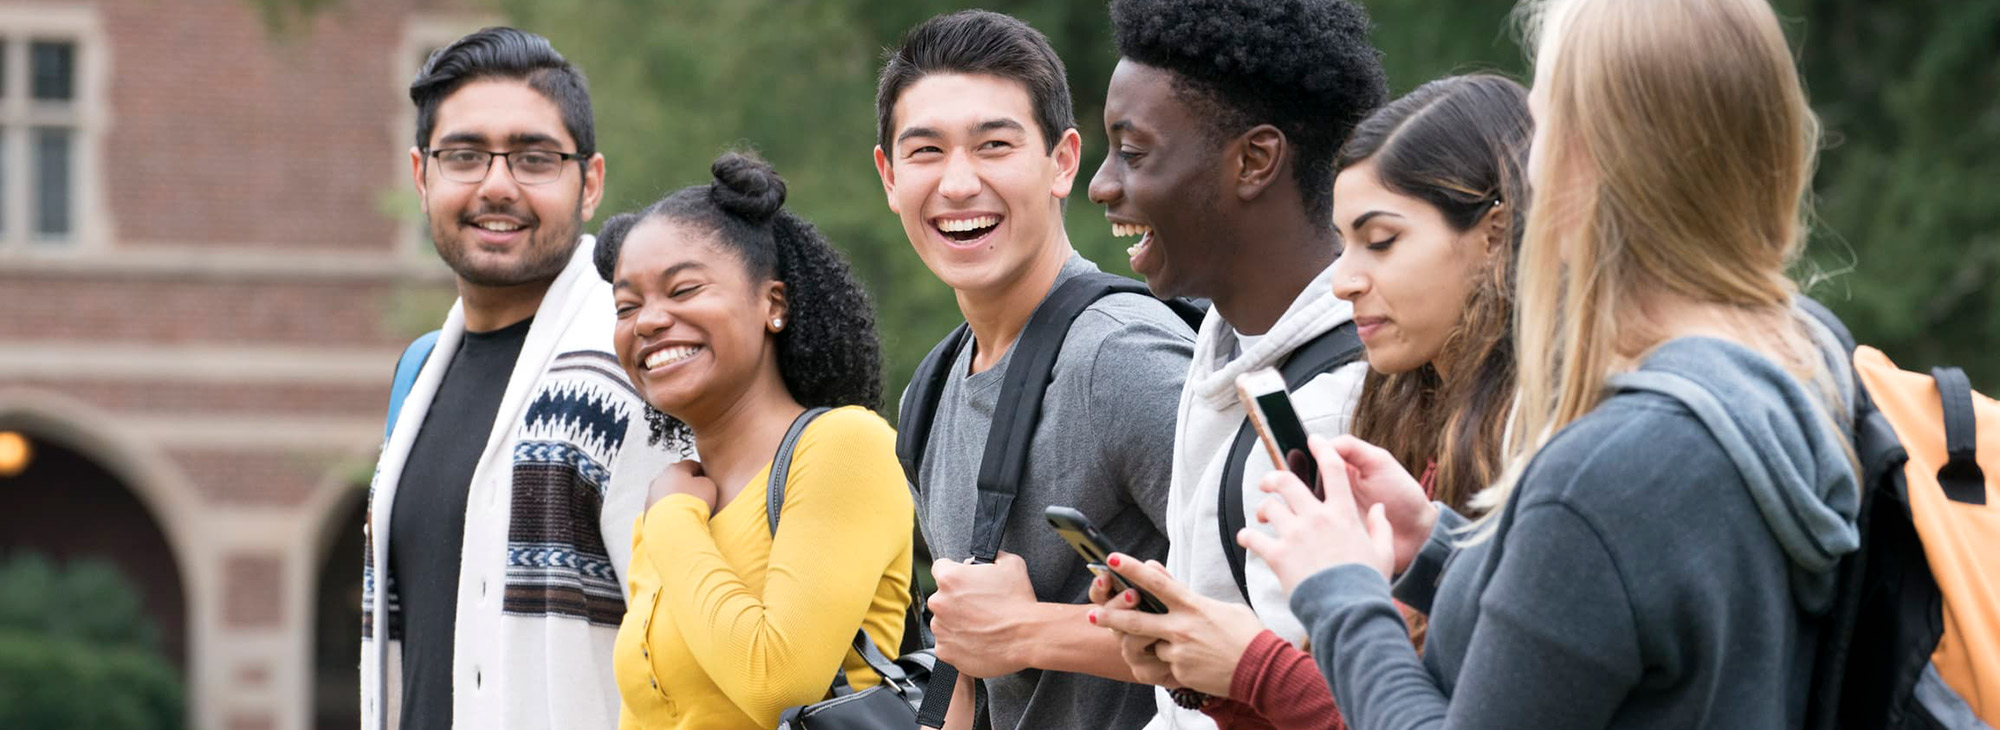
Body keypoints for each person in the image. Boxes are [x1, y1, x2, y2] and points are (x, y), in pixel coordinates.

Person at [1243, 0, 1863, 727]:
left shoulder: (1608, 466)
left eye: (1545, 117)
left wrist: (1342, 593)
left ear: (1586, 163)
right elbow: (1611, 633)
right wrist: (1441, 547)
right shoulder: (1808, 357)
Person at [1092, 73, 1531, 730]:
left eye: (1380, 241)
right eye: (1344, 241)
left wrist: (1254, 665)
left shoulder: (1552, 451)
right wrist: (1212, 673)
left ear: (1494, 235)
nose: (1347, 280)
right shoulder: (1417, 418)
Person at [871, 10, 1197, 730]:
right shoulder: (934, 384)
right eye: (925, 152)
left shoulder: (1122, 359)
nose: (958, 184)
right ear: (890, 176)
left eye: (994, 145)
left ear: (1063, 161)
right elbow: (965, 654)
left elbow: (1277, 618)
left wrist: (1030, 631)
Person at [361, 27, 681, 730]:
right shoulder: (417, 377)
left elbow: (699, 653)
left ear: (590, 181)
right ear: (422, 176)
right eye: (465, 156)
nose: (497, 186)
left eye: (534, 158)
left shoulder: (645, 362)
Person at [1079, 0, 1387, 727]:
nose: (1101, 185)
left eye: (1134, 151)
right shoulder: (1227, 337)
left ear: (1254, 160)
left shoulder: (1338, 403)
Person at [598, 152, 912, 729]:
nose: (648, 321)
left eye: (684, 288)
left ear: (773, 304)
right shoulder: (678, 498)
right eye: (627, 305)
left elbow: (778, 685)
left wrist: (670, 522)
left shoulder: (845, 446)